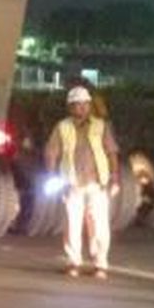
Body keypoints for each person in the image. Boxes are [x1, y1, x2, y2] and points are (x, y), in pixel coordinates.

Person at [44, 85, 121, 279]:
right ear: (70, 107)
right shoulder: (62, 127)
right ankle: (73, 262)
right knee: (72, 224)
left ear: (89, 105)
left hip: (97, 184)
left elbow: (111, 152)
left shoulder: (100, 126)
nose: (80, 108)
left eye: (84, 104)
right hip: (72, 184)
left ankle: (100, 264)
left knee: (99, 225)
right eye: (76, 105)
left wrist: (115, 177)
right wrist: (52, 175)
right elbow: (51, 152)